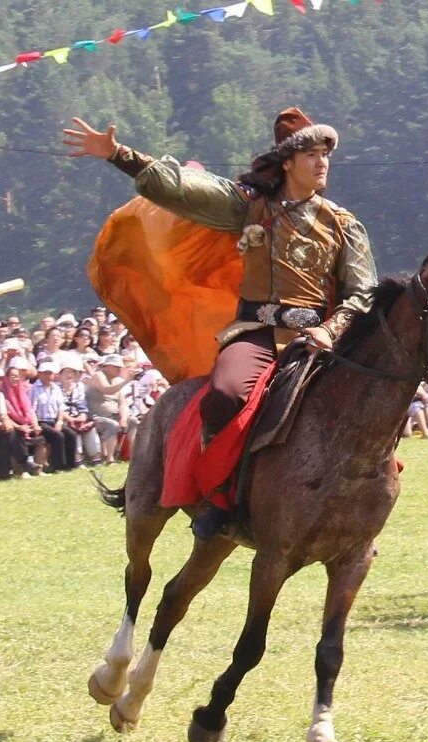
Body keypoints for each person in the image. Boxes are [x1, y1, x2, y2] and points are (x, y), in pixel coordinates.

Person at [65, 106, 378, 537]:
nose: (322, 161)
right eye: (311, 153)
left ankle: (360, 515)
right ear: (287, 161)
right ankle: (217, 498)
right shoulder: (247, 208)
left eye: (326, 153)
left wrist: (330, 329)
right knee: (225, 396)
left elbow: (363, 293)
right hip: (257, 334)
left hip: (320, 340)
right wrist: (118, 153)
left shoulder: (344, 225)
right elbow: (180, 188)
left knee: (369, 403)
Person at [30, 361, 79, 472]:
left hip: (54, 420)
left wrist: (60, 422)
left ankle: (71, 465)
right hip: (41, 421)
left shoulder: (56, 388)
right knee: (58, 436)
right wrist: (35, 425)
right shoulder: (34, 389)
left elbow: (61, 407)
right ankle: (58, 466)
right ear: (40, 374)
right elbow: (31, 410)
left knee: (71, 434)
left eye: (50, 373)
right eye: (46, 373)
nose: (48, 376)